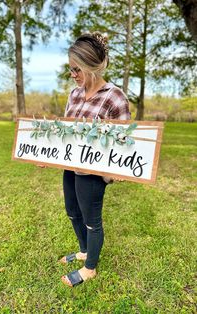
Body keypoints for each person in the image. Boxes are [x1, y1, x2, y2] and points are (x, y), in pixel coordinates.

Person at [60, 32, 131, 287]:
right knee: (72, 211)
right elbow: (64, 132)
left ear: (92, 67)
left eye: (76, 69)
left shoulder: (115, 97)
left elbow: (123, 142)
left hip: (92, 173)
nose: (73, 75)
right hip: (70, 166)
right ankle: (83, 251)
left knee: (92, 220)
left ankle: (90, 268)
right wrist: (47, 152)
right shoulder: (74, 94)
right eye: (71, 69)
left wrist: (114, 172)